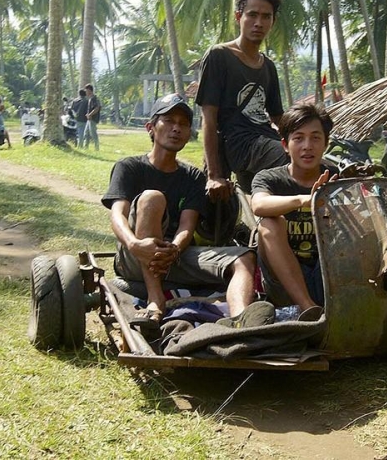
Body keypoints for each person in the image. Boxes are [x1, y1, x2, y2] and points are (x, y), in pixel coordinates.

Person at [102, 93, 267, 327]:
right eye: (169, 121)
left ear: (189, 133)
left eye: (183, 124)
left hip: (175, 256)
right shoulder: (129, 167)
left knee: (244, 257)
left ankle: (240, 322)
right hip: (136, 255)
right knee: (152, 198)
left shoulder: (192, 177)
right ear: (151, 128)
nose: (176, 128)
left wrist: (175, 249)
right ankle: (155, 298)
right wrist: (134, 244)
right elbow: (117, 214)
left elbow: (186, 226)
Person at [196, 0, 288, 199]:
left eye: (266, 17)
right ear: (239, 17)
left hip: (266, 141)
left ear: (273, 21)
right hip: (239, 144)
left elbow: (280, 119)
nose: (259, 23)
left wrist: (310, 136)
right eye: (252, 15)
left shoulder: (268, 66)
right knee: (292, 160)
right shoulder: (219, 55)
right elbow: (208, 118)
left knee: (322, 164)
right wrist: (214, 175)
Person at [250, 104, 336, 321]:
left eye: (316, 138)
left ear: (325, 143)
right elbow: (258, 205)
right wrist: (305, 200)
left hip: (325, 277)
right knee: (269, 224)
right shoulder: (269, 178)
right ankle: (307, 308)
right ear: (285, 145)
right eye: (298, 138)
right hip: (282, 283)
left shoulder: (335, 176)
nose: (307, 146)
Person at [83, 84, 100, 150]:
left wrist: (90, 114)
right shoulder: (90, 99)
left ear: (90, 90)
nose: (86, 92)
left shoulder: (94, 98)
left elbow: (97, 108)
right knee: (86, 133)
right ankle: (85, 147)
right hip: (89, 119)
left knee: (93, 134)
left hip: (93, 119)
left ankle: (97, 147)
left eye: (86, 90)